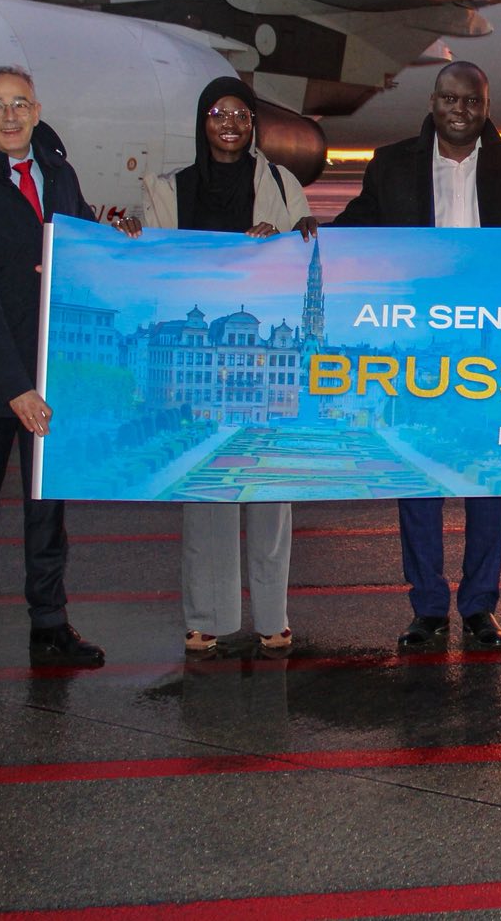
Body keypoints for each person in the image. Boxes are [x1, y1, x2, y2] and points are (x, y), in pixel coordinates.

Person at [333, 61, 501, 651]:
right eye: (449, 99)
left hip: (487, 346)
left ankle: (478, 606)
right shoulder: (392, 164)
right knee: (416, 476)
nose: (460, 110)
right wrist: (306, 238)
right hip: (416, 343)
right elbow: (357, 226)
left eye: (471, 101)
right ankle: (426, 607)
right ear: (433, 101)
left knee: (485, 479)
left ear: (486, 105)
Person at [138, 77, 317, 659]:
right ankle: (207, 616)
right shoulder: (169, 190)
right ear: (203, 121)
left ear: (254, 123)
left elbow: (304, 255)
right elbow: (151, 269)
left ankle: (272, 615)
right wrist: (125, 238)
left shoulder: (282, 183)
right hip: (209, 362)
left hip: (259, 365)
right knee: (206, 499)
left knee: (271, 496)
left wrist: (286, 239)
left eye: (241, 113)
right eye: (218, 112)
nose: (230, 123)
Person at [0, 65, 107, 678]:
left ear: (36, 111)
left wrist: (116, 237)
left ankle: (49, 624)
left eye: (20, 104)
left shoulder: (59, 176)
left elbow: (82, 240)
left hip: (52, 374)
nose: (10, 116)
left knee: (46, 512)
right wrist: (16, 390)